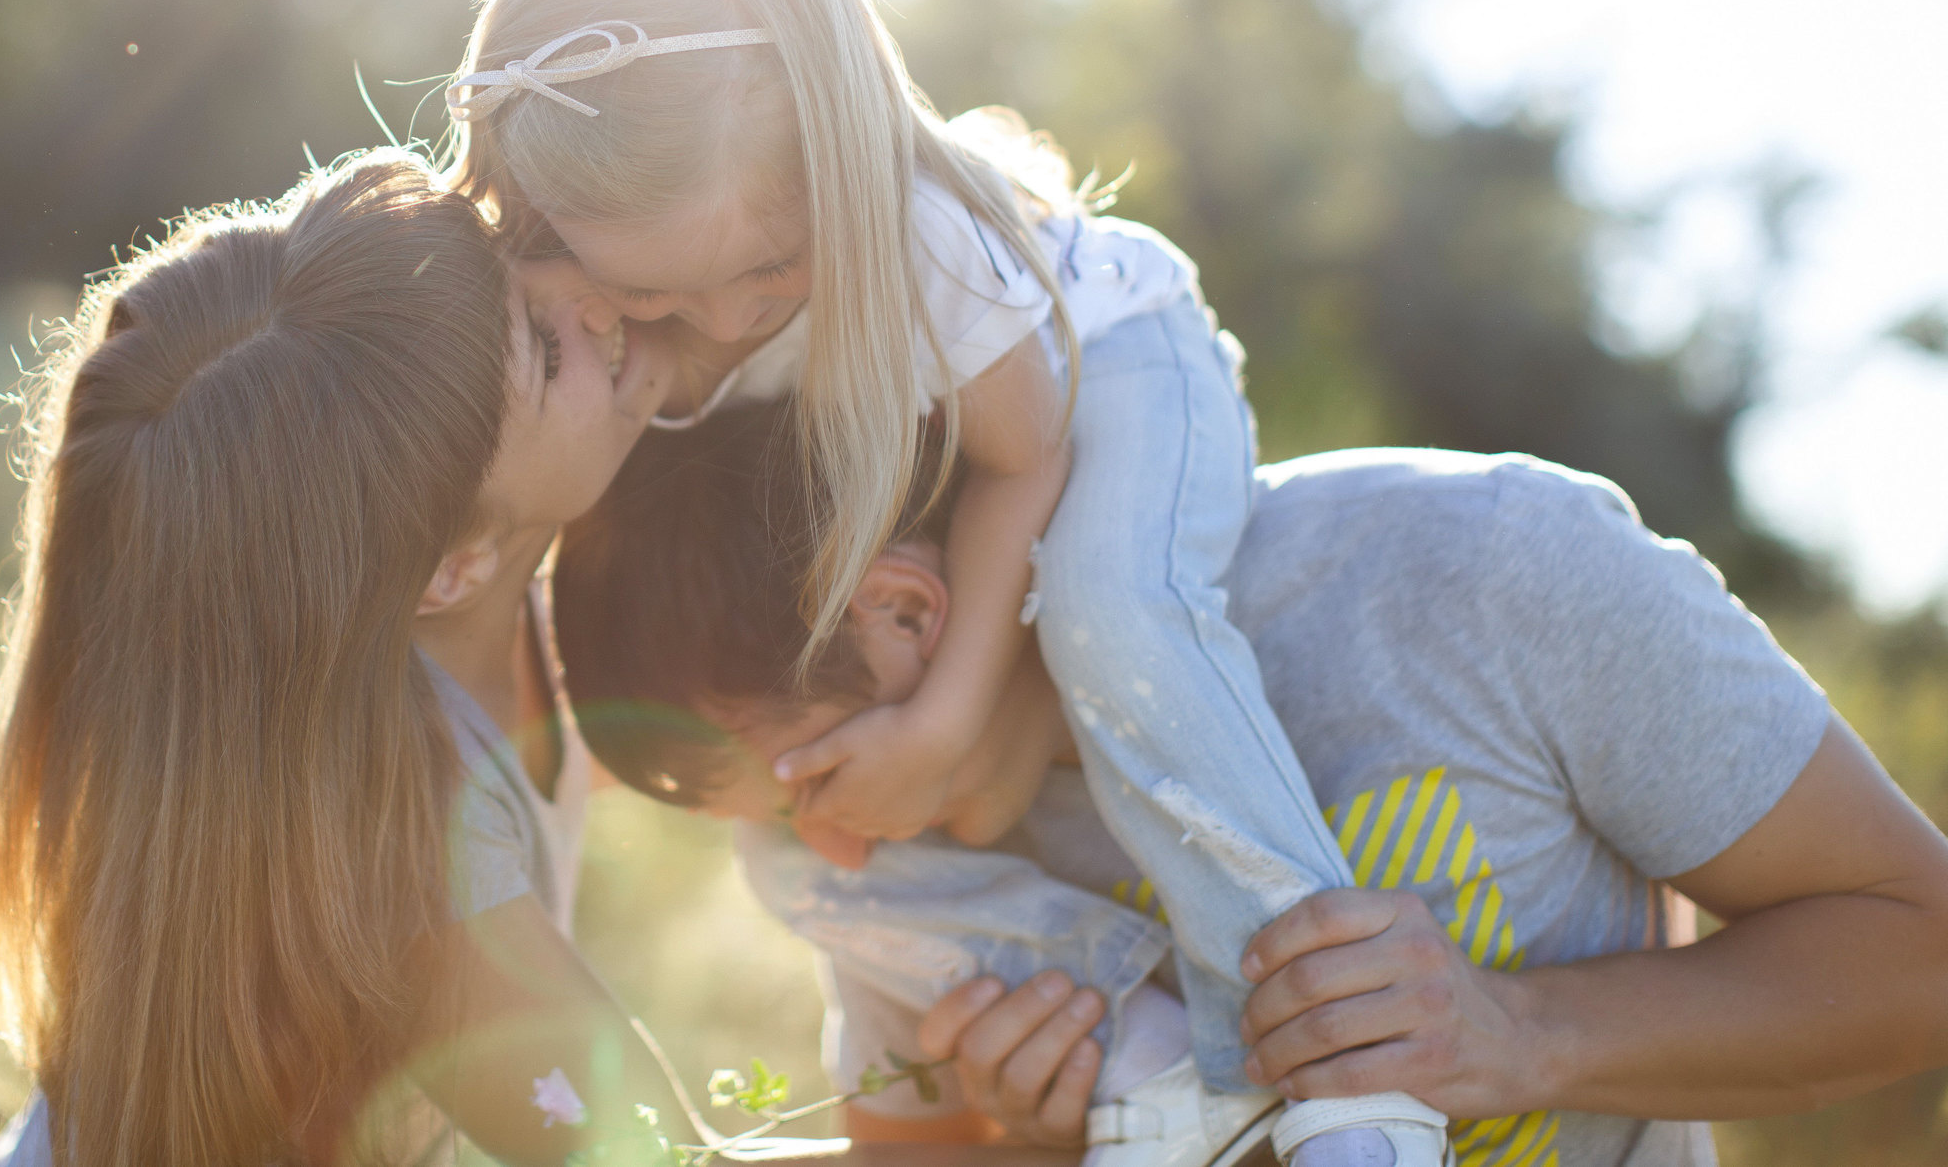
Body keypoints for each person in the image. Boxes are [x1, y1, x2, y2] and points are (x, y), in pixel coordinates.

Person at [450, 0, 1440, 1164]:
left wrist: (947, 713)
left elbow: (1026, 453)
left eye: (758, 276)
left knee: (1118, 613)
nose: (719, 328)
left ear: (837, 161)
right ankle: (1163, 1064)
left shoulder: (914, 237)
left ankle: (1343, 1062)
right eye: (653, 302)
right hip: (937, 450)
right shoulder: (643, 250)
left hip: (1107, 369)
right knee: (791, 851)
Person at [551, 405, 1948, 1167]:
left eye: (814, 787)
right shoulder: (886, 867)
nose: (829, 859)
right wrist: (1041, 1142)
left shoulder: (1489, 566)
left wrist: (1516, 1032)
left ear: (902, 614)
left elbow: (1918, 949)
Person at [0, 149, 702, 1167]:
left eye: (511, 264)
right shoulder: (406, 838)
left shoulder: (451, 599)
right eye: (540, 345)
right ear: (450, 563)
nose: (588, 297)